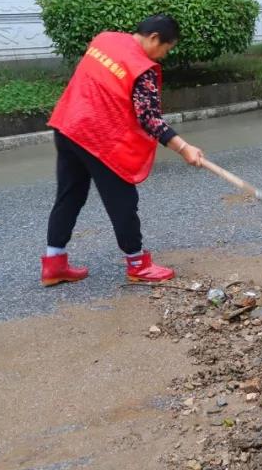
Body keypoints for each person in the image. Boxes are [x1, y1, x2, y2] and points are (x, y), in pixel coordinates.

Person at [41, 15, 205, 286]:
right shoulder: (142, 68)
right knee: (122, 202)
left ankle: (54, 263)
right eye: (167, 48)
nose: (164, 55)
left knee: (69, 195)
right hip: (98, 139)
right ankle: (138, 264)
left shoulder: (104, 39)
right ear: (154, 38)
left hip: (68, 125)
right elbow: (149, 118)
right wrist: (184, 148)